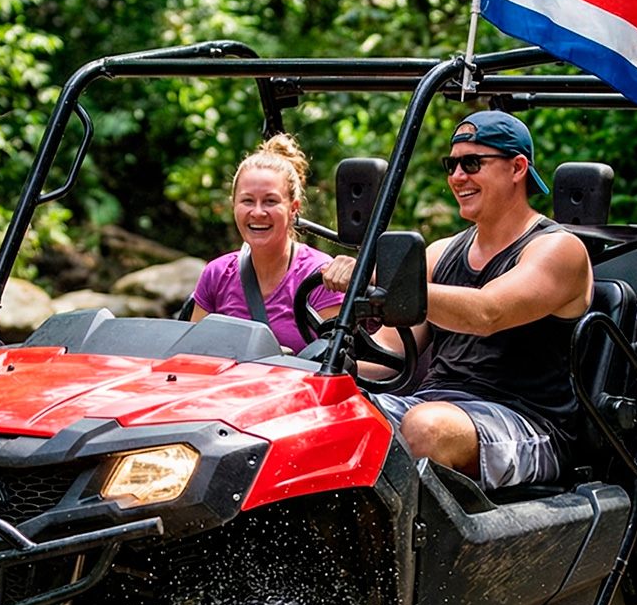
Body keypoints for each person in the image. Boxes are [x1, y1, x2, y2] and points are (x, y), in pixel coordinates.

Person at [324, 110, 593, 489]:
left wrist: (376, 277)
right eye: (451, 165)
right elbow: (390, 354)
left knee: (426, 429)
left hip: (528, 422)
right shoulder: (440, 253)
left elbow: (486, 312)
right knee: (331, 417)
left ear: (517, 168)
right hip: (435, 403)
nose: (456, 177)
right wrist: (323, 367)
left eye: (472, 163)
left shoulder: (558, 249)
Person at [188, 133, 344, 353]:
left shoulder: (320, 277)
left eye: (270, 201)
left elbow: (336, 366)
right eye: (247, 201)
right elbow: (192, 357)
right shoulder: (216, 274)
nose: (258, 212)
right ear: (234, 206)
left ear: (293, 208)